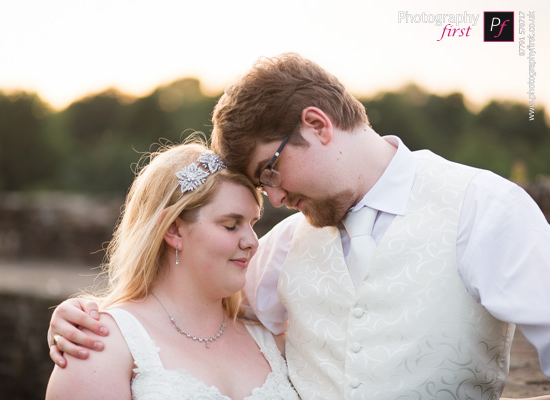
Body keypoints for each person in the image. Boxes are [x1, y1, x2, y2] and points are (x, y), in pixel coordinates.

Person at [48, 54, 550, 399]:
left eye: (270, 170)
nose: (278, 199)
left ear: (317, 124)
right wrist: (86, 314)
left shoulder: (484, 207)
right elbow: (180, 309)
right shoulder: (284, 246)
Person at [45, 142, 299, 399]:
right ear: (174, 230)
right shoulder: (99, 345)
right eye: (232, 225)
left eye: (253, 224)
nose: (253, 242)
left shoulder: (272, 339)